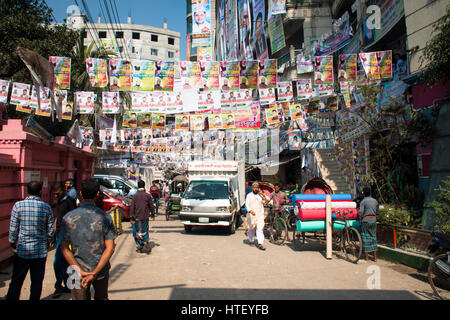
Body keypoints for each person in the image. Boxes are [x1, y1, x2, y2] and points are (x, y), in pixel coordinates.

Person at [60, 179, 117, 300]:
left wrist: (79, 270)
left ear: (80, 193)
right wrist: (95, 272)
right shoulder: (105, 217)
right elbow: (110, 248)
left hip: (75, 269)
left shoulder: (68, 218)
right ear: (97, 194)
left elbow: (64, 249)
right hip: (101, 270)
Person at [6, 181, 54, 300]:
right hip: (40, 252)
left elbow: (13, 228)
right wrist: (49, 241)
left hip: (22, 250)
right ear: (40, 192)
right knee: (37, 282)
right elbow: (51, 230)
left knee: (16, 280)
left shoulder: (18, 206)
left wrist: (12, 243)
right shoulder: (46, 207)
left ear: (28, 191)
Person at [51, 182, 77, 298]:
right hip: (59, 233)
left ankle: (64, 285)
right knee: (62, 261)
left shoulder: (69, 201)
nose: (56, 196)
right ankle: (63, 285)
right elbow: (58, 217)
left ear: (63, 190)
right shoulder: (60, 201)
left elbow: (75, 217)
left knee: (61, 261)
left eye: (57, 193)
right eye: (54, 194)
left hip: (67, 233)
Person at [130, 180, 155, 254]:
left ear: (138, 186)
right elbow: (151, 205)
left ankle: (140, 247)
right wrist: (153, 213)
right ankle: (145, 241)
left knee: (136, 232)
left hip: (136, 217)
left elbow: (132, 207)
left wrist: (131, 217)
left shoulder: (135, 196)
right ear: (144, 186)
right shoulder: (147, 195)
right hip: (145, 216)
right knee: (145, 230)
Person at [245, 182, 269, 250]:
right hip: (251, 215)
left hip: (260, 215)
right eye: (254, 187)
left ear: (258, 188)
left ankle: (260, 243)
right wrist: (250, 210)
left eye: (256, 187)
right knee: (251, 228)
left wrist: (263, 195)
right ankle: (251, 240)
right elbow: (247, 204)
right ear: (252, 188)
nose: (255, 189)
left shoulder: (260, 196)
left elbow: (267, 201)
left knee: (260, 229)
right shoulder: (249, 195)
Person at [358, 186, 379, 262]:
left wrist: (360, 219)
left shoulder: (363, 201)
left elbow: (360, 212)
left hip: (365, 221)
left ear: (364, 194)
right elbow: (377, 212)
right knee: (373, 237)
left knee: (365, 238)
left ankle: (367, 258)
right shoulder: (375, 201)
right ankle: (375, 257)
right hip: (373, 220)